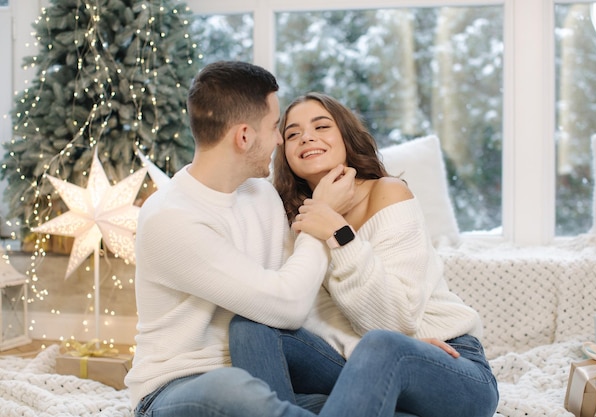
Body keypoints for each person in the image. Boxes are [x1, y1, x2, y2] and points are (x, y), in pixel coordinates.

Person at [125, 61, 478, 417]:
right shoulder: (172, 218)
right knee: (239, 369)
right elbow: (290, 304)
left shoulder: (262, 198)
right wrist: (321, 220)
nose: (284, 139)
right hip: (186, 385)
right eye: (282, 129)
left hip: (424, 356)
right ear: (245, 137)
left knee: (269, 343)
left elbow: (308, 306)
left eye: (321, 126)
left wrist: (385, 354)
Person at [229, 92, 500, 417]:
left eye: (321, 126)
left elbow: (395, 323)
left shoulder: (387, 193)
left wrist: (339, 234)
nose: (307, 137)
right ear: (284, 152)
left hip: (448, 361)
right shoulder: (293, 218)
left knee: (383, 345)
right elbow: (302, 313)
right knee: (251, 325)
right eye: (292, 133)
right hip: (357, 360)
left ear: (345, 136)